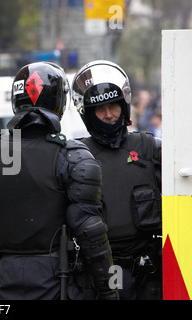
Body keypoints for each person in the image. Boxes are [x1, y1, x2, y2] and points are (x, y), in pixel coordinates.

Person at [0, 61, 118, 300]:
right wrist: (109, 292)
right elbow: (91, 235)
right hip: (57, 284)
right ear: (60, 101)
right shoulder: (74, 156)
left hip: (1, 284)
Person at [71, 60, 162, 300]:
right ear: (88, 114)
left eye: (114, 106)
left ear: (125, 105)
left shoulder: (149, 148)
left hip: (150, 269)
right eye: (100, 110)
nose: (109, 115)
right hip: (106, 270)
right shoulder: (76, 156)